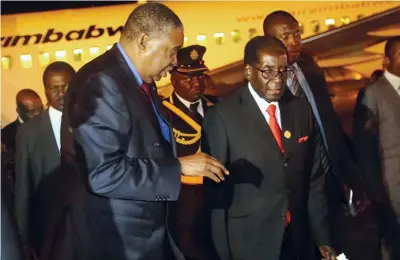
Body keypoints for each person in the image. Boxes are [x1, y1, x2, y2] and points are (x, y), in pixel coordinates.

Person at [43, 3, 228, 260]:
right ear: (143, 42)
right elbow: (102, 173)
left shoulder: (139, 81)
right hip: (118, 242)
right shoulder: (100, 83)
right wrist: (179, 167)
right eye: (172, 52)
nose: (175, 62)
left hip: (147, 233)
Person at [202, 35, 336, 260]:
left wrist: (322, 238)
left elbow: (313, 180)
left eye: (283, 71)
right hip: (250, 244)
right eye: (268, 71)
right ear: (248, 72)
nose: (277, 79)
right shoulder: (223, 117)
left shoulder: (299, 109)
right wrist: (222, 254)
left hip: (298, 240)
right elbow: (216, 196)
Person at [14, 61, 76, 259]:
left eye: (67, 86)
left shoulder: (93, 120)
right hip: (49, 231)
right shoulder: (29, 132)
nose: (62, 93)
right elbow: (23, 187)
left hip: (90, 227)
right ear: (45, 90)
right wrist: (24, 239)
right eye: (54, 88)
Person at [162, 44, 218, 259]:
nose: (197, 83)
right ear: (173, 79)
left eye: (200, 77)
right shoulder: (163, 113)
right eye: (189, 78)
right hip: (185, 200)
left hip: (219, 194)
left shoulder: (217, 107)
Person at [353, 36, 400, 260]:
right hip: (391, 182)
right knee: (393, 240)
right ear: (386, 60)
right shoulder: (372, 94)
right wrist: (374, 189)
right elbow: (364, 146)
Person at [1, 89, 43, 207]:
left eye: (41, 109)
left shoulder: (48, 126)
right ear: (19, 111)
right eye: (32, 111)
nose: (38, 115)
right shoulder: (5, 136)